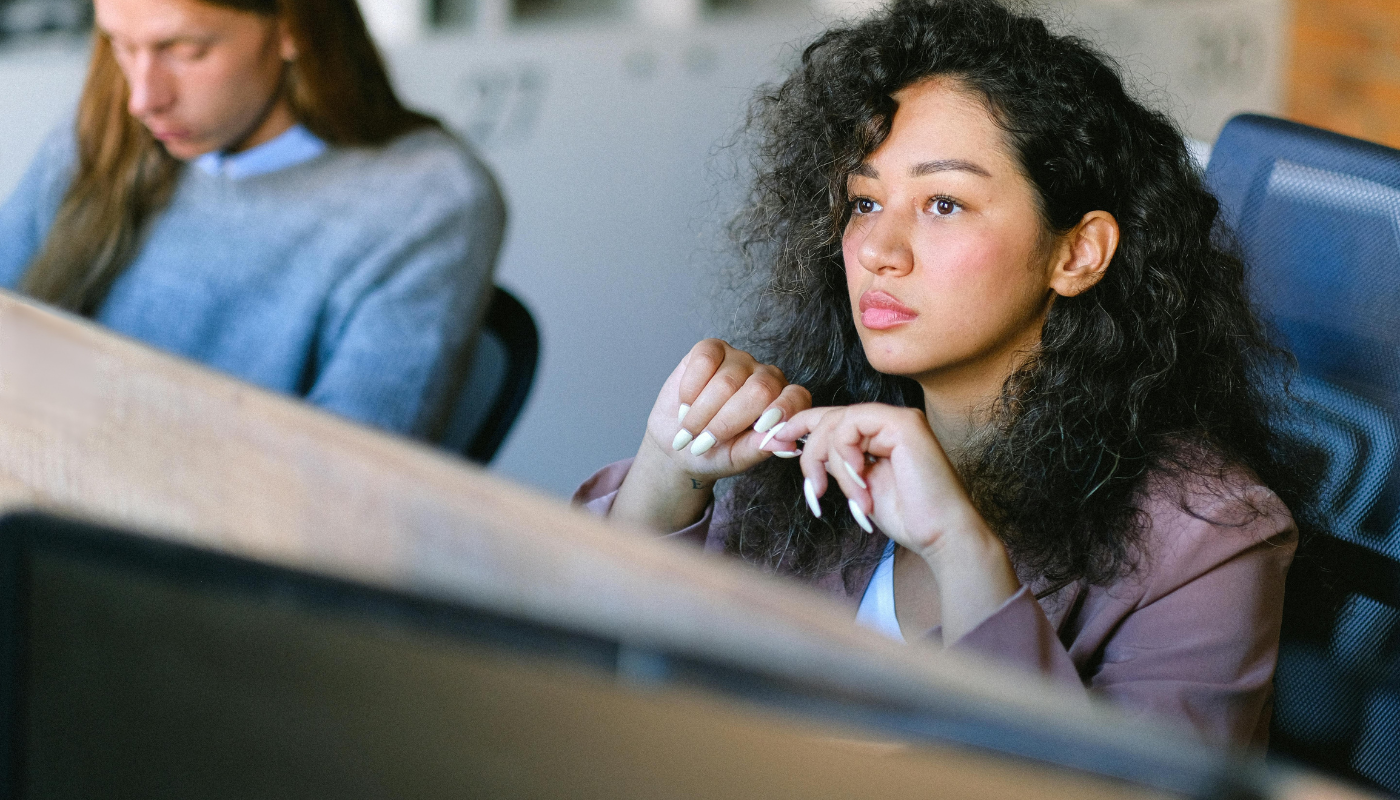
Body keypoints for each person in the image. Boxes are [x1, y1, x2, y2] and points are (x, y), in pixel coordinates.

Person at [576, 0, 1313, 747]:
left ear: (1078, 253)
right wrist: (667, 480)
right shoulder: (808, 444)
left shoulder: (1207, 539)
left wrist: (962, 550)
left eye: (943, 203)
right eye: (864, 201)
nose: (876, 250)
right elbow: (576, 690)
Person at [0, 0, 505, 441]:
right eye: (120, 45)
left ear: (292, 28)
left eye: (185, 49)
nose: (143, 99)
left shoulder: (425, 199)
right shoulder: (99, 129)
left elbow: (342, 492)